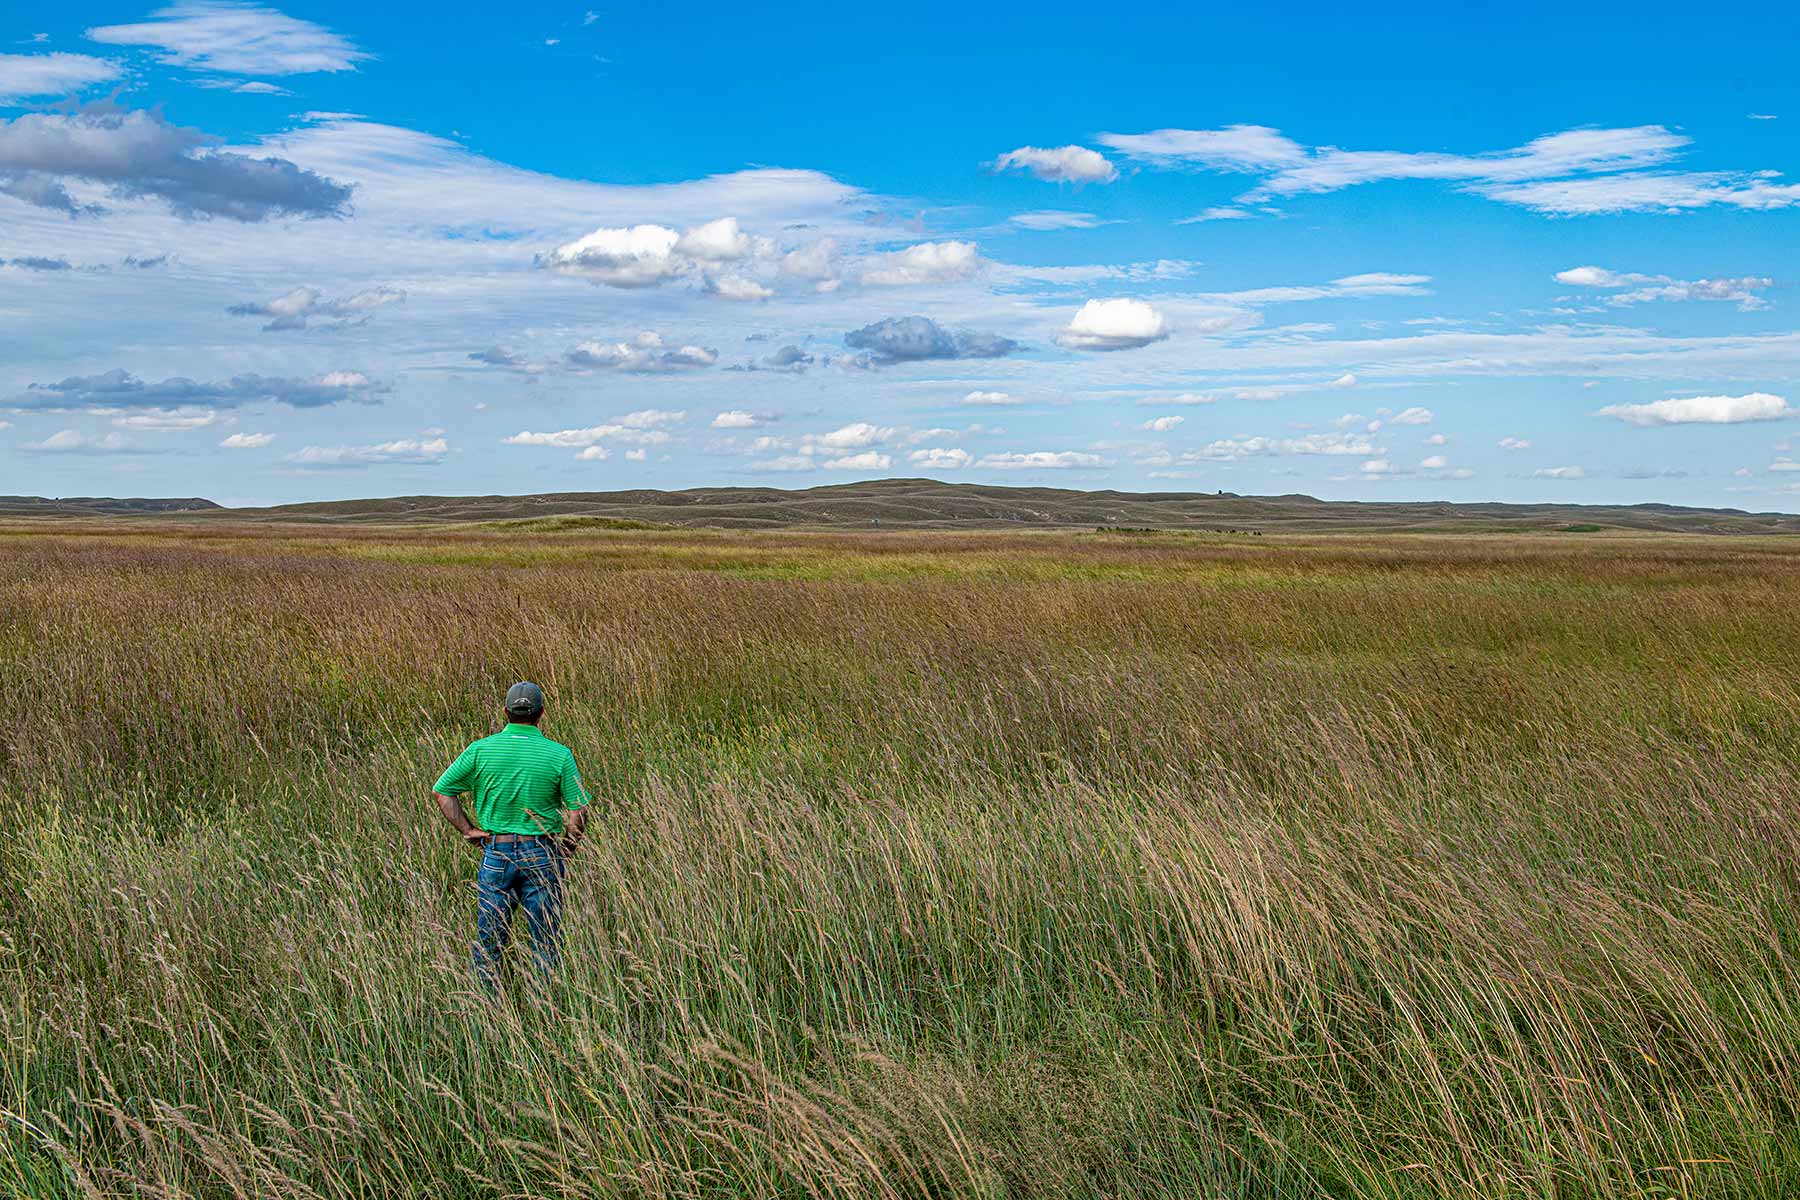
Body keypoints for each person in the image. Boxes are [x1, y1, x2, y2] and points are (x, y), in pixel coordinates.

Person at [431, 681, 590, 991]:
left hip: (496, 852)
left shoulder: (480, 750)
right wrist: (568, 848)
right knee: (545, 941)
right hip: (542, 852)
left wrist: (469, 830)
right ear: (541, 713)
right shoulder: (559, 754)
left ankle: (488, 1008)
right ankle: (545, 1008)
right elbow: (579, 809)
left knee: (490, 941)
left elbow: (442, 791)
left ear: (505, 712)